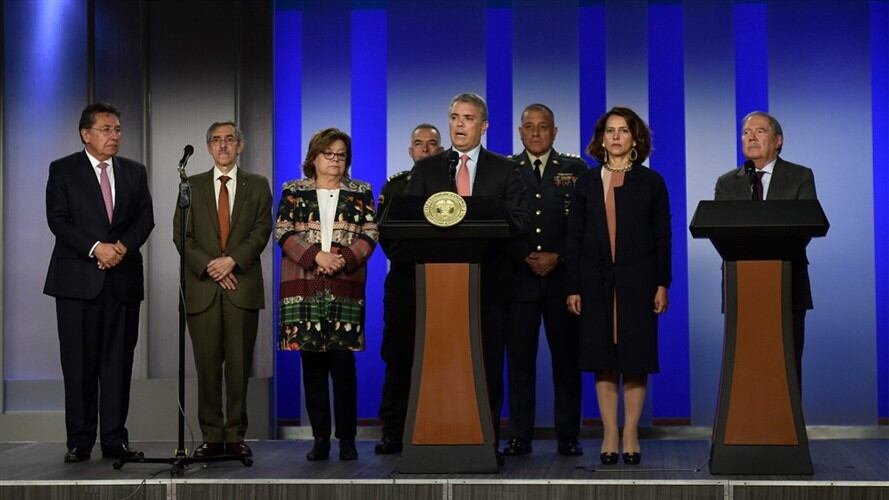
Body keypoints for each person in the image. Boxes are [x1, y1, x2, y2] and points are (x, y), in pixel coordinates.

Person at [406, 92, 529, 448]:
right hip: (440, 287)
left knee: (487, 365)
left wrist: (483, 219)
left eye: (469, 118)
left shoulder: (506, 170)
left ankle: (485, 439)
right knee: (441, 365)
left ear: (484, 125)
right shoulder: (428, 169)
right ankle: (439, 438)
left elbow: (519, 222)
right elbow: (410, 223)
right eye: (455, 117)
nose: (460, 124)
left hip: (490, 284)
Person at [44, 102, 155, 463]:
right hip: (77, 283)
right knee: (78, 363)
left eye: (118, 129)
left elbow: (145, 218)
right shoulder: (63, 170)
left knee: (118, 363)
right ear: (86, 134)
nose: (114, 136)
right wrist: (96, 248)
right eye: (106, 129)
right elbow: (58, 220)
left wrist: (121, 247)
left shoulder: (134, 172)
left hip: (122, 281)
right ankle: (79, 441)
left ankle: (114, 440)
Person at [565, 107, 671, 466]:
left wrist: (662, 283)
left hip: (639, 283)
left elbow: (662, 237)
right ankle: (610, 432)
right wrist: (573, 286)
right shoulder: (586, 183)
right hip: (595, 283)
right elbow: (575, 238)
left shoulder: (651, 183)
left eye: (623, 131)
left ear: (635, 139)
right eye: (609, 131)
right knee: (603, 360)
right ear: (601, 138)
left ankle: (631, 432)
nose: (615, 137)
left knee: (635, 358)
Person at [276, 128, 378, 461]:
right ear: (314, 157)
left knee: (343, 366)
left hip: (344, 287)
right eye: (329, 154)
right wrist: (315, 257)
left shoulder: (360, 191)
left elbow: (370, 232)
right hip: (303, 289)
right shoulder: (293, 191)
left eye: (341, 155)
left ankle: (346, 439)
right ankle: (320, 438)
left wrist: (342, 260)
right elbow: (282, 230)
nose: (335, 160)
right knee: (313, 367)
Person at [172, 122, 273, 459]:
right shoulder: (192, 185)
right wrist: (212, 266)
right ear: (208, 147)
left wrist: (232, 262)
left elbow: (260, 232)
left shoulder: (257, 185)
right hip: (202, 290)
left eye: (229, 139)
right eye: (215, 140)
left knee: (239, 367)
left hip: (242, 286)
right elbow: (181, 236)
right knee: (207, 367)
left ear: (240, 146)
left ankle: (235, 436)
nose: (223, 145)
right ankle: (212, 437)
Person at [502, 104, 587, 457]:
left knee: (566, 361)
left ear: (555, 131)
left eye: (543, 127)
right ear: (520, 132)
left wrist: (559, 256)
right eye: (529, 127)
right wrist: (525, 253)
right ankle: (520, 435)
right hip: (518, 280)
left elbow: (582, 224)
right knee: (520, 362)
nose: (536, 133)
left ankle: (568, 435)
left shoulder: (575, 169)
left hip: (562, 281)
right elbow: (501, 219)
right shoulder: (505, 169)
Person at [715, 111, 816, 390]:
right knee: (746, 364)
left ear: (778, 140)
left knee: (788, 361)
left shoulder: (800, 176)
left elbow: (805, 227)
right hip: (742, 286)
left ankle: (788, 431)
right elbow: (721, 232)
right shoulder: (727, 183)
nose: (751, 137)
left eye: (760, 131)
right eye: (746, 132)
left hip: (787, 282)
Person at [374, 124, 444, 455]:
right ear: (410, 150)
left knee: (444, 359)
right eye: (419, 144)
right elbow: (385, 235)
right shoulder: (396, 185)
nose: (426, 149)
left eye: (432, 144)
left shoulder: (453, 186)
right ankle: (393, 430)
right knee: (399, 358)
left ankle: (443, 427)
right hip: (405, 281)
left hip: (447, 281)